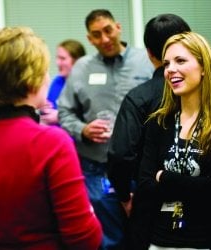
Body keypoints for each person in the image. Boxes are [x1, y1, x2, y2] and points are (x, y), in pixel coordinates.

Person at [0, 26, 102, 250]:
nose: (48, 77)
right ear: (32, 81)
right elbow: (84, 239)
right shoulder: (53, 144)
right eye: (44, 70)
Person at [129, 32, 211, 249]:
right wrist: (196, 187)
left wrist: (164, 177)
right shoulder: (159, 121)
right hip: (160, 239)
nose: (170, 69)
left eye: (180, 61)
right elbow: (145, 186)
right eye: (166, 64)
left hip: (209, 240)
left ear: (204, 67)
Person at [57, 9, 154, 249]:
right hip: (98, 167)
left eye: (108, 30)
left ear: (118, 27)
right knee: (110, 238)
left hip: (142, 165)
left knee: (146, 233)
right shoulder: (81, 68)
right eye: (97, 35)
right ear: (89, 39)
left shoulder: (145, 61)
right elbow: (64, 112)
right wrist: (82, 129)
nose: (105, 39)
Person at [108, 13, 191, 222]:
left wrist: (124, 196)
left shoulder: (139, 97)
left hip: (154, 201)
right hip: (205, 200)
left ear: (149, 53)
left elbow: (121, 154)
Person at [40, 39, 86, 125]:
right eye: (57, 58)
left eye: (62, 58)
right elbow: (49, 108)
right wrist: (43, 107)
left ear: (77, 61)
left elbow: (91, 117)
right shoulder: (57, 81)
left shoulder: (87, 85)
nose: (58, 63)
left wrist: (60, 117)